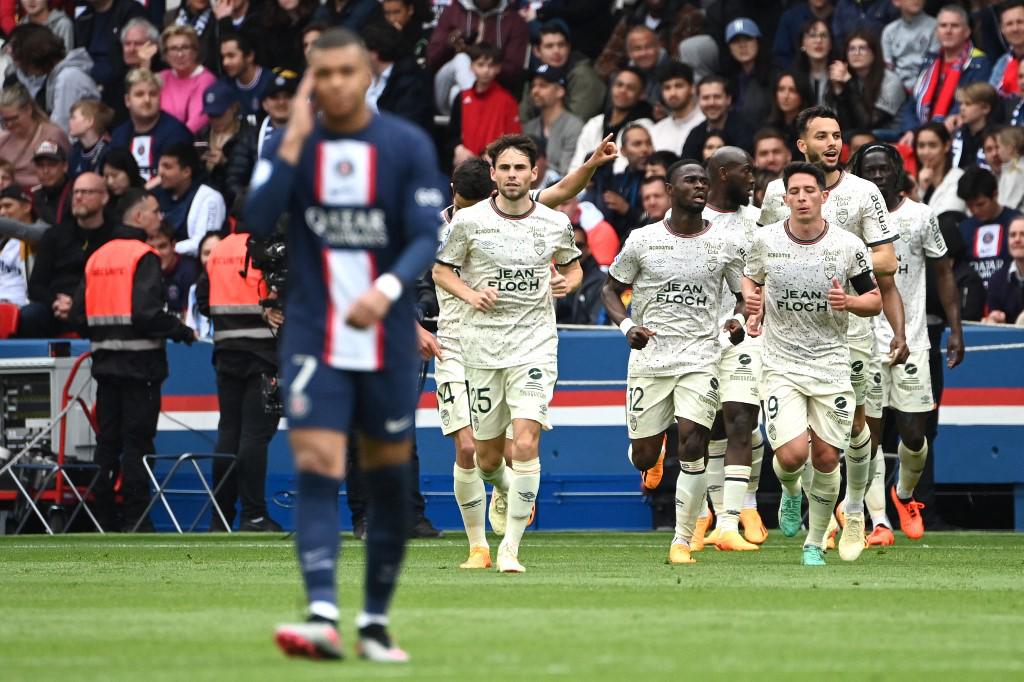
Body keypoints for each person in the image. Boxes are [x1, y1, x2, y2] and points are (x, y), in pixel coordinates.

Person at [245, 27, 447, 662]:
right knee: (316, 468)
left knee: (386, 480)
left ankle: (376, 624)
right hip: (313, 334)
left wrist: (386, 289)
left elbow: (424, 236)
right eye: (322, 73)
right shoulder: (292, 144)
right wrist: (290, 143)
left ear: (367, 76)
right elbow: (256, 217)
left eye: (345, 72)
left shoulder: (404, 143)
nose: (334, 83)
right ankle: (322, 617)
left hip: (384, 335)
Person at [434, 134, 582, 573]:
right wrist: (470, 294)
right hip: (479, 348)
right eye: (505, 168)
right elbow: (441, 271)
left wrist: (567, 282)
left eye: (521, 168)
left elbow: (573, 267)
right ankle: (489, 519)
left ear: (534, 173)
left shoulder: (554, 223)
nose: (513, 175)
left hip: (534, 346)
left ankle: (509, 550)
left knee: (527, 440)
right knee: (484, 456)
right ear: (493, 173)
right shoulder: (468, 222)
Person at [759, 105, 902, 558]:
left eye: (837, 135)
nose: (832, 143)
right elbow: (763, 255)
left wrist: (831, 256)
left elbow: (887, 260)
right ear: (802, 144)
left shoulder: (863, 192)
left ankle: (855, 510)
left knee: (856, 429)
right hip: (789, 335)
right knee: (796, 448)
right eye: (821, 136)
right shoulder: (777, 193)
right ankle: (799, 497)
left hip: (849, 330)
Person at [601, 159, 744, 565]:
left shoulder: (725, 244)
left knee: (694, 443)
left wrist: (736, 321)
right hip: (650, 360)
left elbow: (742, 296)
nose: (699, 186)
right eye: (690, 180)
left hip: (701, 357)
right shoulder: (643, 240)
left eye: (703, 181)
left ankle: (682, 540)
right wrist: (628, 326)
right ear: (670, 189)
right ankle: (652, 457)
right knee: (644, 455)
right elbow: (609, 289)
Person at [744, 161, 882, 566]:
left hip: (831, 365)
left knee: (825, 457)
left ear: (823, 196)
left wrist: (849, 302)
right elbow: (751, 279)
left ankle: (814, 542)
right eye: (794, 191)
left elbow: (874, 299)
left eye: (809, 191)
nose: (802, 198)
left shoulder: (847, 245)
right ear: (784, 198)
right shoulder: (765, 240)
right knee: (791, 457)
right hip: (781, 363)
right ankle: (790, 491)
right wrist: (753, 301)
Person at [850, 142, 964, 545]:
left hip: (913, 339)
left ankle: (903, 495)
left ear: (898, 171)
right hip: (864, 341)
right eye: (870, 170)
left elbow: (944, 272)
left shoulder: (921, 216)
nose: (878, 175)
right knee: (869, 437)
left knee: (915, 436)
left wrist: (955, 328)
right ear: (860, 175)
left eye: (884, 168)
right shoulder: (851, 219)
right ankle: (879, 521)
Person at [69, 182, 196, 532]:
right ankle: (138, 519)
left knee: (107, 444)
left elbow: (77, 316)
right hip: (141, 367)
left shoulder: (98, 257)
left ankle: (103, 518)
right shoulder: (143, 256)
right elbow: (145, 313)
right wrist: (182, 331)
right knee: (138, 444)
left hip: (105, 366)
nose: (159, 216)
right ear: (138, 217)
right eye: (154, 211)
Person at [694, 146, 767, 551]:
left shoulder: (760, 221)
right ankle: (719, 511)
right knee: (713, 428)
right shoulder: (688, 220)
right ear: (723, 174)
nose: (753, 178)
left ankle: (741, 511)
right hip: (700, 339)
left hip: (748, 333)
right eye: (747, 171)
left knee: (742, 418)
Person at [195, 229, 283, 531]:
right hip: (264, 353)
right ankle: (254, 514)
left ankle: (220, 517)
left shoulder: (219, 250)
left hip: (226, 351)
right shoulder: (271, 244)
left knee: (228, 432)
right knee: (254, 436)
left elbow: (203, 301)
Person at [899, 4, 993, 137]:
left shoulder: (979, 62)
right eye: (943, 26)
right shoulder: (929, 61)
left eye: (954, 26)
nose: (948, 31)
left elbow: (971, 102)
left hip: (954, 133)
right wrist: (911, 131)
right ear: (936, 32)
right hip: (920, 133)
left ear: (967, 32)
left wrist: (938, 131)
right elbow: (912, 103)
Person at [225, 69, 298, 206]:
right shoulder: (250, 138)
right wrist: (252, 201)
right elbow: (233, 181)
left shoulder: (312, 135)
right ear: (265, 104)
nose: (281, 102)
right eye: (275, 97)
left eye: (287, 96)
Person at [110, 68, 194, 180]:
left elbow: (176, 178)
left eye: (153, 94)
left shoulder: (177, 133)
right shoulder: (119, 135)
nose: (147, 100)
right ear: (127, 100)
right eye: (139, 94)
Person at [448, 42, 522, 167]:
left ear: (498, 68)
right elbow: (451, 134)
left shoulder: (507, 100)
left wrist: (497, 154)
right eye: (480, 65)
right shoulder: (461, 98)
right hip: (466, 166)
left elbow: (514, 139)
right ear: (471, 67)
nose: (486, 70)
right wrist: (458, 149)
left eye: (491, 65)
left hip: (495, 167)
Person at [568, 67, 652, 172]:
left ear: (641, 94)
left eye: (630, 88)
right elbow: (576, 165)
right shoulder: (594, 123)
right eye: (619, 85)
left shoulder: (645, 127)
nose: (623, 90)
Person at [520, 21, 606, 122]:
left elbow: (576, 122)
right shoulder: (537, 75)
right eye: (549, 46)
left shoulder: (583, 75)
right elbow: (523, 118)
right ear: (537, 51)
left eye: (561, 45)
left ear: (569, 48)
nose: (556, 51)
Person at [825, 27, 906, 133]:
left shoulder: (890, 81)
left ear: (874, 53)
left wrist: (849, 83)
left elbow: (869, 123)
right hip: (856, 136)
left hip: (889, 135)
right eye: (851, 49)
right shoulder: (850, 78)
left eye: (862, 48)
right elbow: (844, 126)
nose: (856, 53)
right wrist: (839, 91)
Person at [153, 141, 226, 256]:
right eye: (160, 166)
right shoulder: (157, 194)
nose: (160, 173)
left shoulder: (210, 198)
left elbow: (204, 244)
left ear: (186, 172)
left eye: (167, 167)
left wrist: (162, 250)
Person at [74, 0, 147, 111]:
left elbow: (139, 53)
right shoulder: (84, 18)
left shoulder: (130, 10)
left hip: (121, 84)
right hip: (89, 83)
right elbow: (79, 56)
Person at [956, 166, 1022, 286]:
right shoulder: (964, 228)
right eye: (970, 206)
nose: (975, 210)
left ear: (995, 194)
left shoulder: (1016, 223)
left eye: (980, 204)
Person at [362, 21, 433, 132]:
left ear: (374, 54)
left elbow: (406, 126)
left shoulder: (410, 82)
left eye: (362, 50)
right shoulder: (368, 77)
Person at [0, 82, 69, 188]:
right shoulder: (3, 140)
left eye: (14, 118)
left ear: (28, 110)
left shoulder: (53, 135)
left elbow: (67, 172)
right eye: (5, 120)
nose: (9, 124)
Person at [522, 64, 583, 178]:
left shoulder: (574, 126)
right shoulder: (529, 127)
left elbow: (568, 172)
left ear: (560, 91)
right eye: (533, 86)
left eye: (543, 85)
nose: (535, 91)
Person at [196, 81, 250, 208]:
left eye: (219, 114)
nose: (214, 120)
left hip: (233, 204)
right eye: (210, 115)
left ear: (234, 108)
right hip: (203, 201)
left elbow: (247, 176)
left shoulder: (247, 136)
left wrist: (225, 163)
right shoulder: (202, 135)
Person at [157, 24, 218, 134]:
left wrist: (168, 140)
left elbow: (196, 122)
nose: (180, 54)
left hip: (186, 140)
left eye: (185, 48)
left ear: (195, 51)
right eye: (173, 49)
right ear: (165, 54)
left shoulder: (206, 80)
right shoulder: (161, 78)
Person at [681, 75, 750, 161]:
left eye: (717, 97)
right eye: (706, 98)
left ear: (728, 99)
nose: (711, 103)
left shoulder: (745, 130)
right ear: (699, 101)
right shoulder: (695, 135)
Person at [723, 18, 775, 126]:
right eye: (735, 41)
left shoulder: (774, 76)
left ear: (758, 42)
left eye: (747, 38)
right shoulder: (727, 80)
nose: (742, 45)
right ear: (729, 49)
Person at [881, 0, 937, 93]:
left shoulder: (936, 27)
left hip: (926, 86)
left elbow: (933, 65)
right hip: (896, 87)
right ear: (896, 1)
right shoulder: (889, 31)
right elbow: (888, 66)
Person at [649, 61, 704, 155]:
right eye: (667, 88)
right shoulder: (656, 131)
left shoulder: (706, 124)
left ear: (692, 88)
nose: (672, 93)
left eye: (679, 86)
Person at [219, 31, 271, 125]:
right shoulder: (223, 86)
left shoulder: (270, 82)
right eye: (223, 57)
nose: (225, 62)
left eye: (231, 56)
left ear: (249, 56)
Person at [914, 121, 966, 214]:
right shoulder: (915, 181)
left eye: (932, 145)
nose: (926, 152)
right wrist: (921, 190)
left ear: (947, 146)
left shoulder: (959, 178)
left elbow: (945, 218)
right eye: (921, 146)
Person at [146, 221, 198, 315]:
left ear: (173, 245)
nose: (157, 253)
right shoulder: (142, 274)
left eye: (162, 246)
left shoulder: (189, 273)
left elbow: (190, 318)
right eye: (151, 248)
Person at [985, 216, 1024, 324]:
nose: (1017, 240)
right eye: (1012, 235)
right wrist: (995, 319)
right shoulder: (997, 279)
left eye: (1023, 234)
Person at [950, 82, 998, 169]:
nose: (962, 108)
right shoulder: (957, 132)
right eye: (961, 103)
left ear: (985, 108)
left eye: (968, 104)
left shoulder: (996, 137)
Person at [184, 229, 221, 339]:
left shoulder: (235, 289)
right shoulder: (193, 290)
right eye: (206, 253)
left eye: (216, 252)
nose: (210, 259)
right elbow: (192, 327)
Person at [767, 71, 814, 155]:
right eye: (781, 89)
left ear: (802, 95)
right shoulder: (769, 127)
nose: (786, 96)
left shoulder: (810, 129)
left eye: (792, 90)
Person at [0, 185, 32, 306]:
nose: (2, 212)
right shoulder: (5, 242)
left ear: (26, 207)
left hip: (21, 305)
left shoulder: (39, 238)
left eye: (8, 206)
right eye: (0, 207)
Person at [30, 141, 74, 230]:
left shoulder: (76, 193)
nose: (45, 171)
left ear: (65, 167)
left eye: (52, 165)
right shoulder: (34, 195)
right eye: (40, 165)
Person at [67, 99, 114, 179]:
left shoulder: (107, 151)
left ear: (89, 121)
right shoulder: (75, 150)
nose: (69, 121)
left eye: (73, 117)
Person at [794, 18, 835, 104]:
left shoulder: (840, 77)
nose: (818, 40)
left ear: (831, 44)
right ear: (802, 44)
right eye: (812, 35)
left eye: (824, 35)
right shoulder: (793, 78)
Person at [989, 0, 1024, 98]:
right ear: (1002, 30)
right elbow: (990, 98)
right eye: (1009, 24)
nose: (1015, 28)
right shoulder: (1002, 63)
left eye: (1020, 22)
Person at [997, 125, 1024, 212]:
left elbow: (1008, 204)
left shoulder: (1017, 172)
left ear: (1010, 149)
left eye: (999, 147)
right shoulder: (1010, 170)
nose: (997, 152)